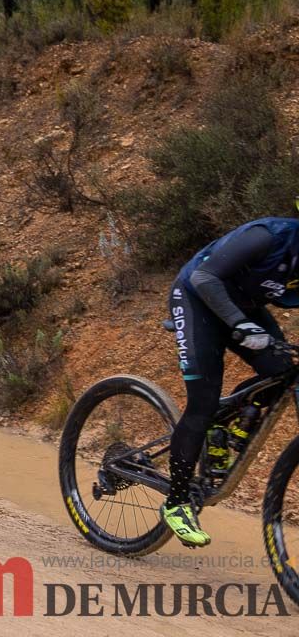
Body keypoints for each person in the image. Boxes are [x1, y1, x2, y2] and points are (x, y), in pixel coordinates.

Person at [160, 216, 299, 547]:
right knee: (203, 402)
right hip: (197, 297)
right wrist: (240, 324)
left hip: (244, 307)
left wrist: (245, 321)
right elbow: (204, 277)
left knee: (283, 369)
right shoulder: (266, 238)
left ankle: (225, 426)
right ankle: (176, 503)